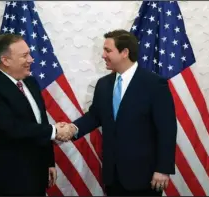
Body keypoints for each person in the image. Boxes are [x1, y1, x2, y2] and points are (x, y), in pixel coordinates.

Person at [64, 29, 178, 196]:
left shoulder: (154, 84)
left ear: (125, 52)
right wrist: (72, 129)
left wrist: (163, 169)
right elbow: (95, 116)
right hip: (113, 176)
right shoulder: (103, 84)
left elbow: (167, 129)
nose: (103, 55)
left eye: (108, 50)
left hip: (144, 176)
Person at [0, 34, 72, 196]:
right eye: (24, 56)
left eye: (29, 54)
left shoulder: (30, 83)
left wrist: (48, 161)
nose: (31, 59)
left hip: (35, 174)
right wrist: (54, 131)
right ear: (5, 60)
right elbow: (9, 128)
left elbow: (40, 122)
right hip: (4, 181)